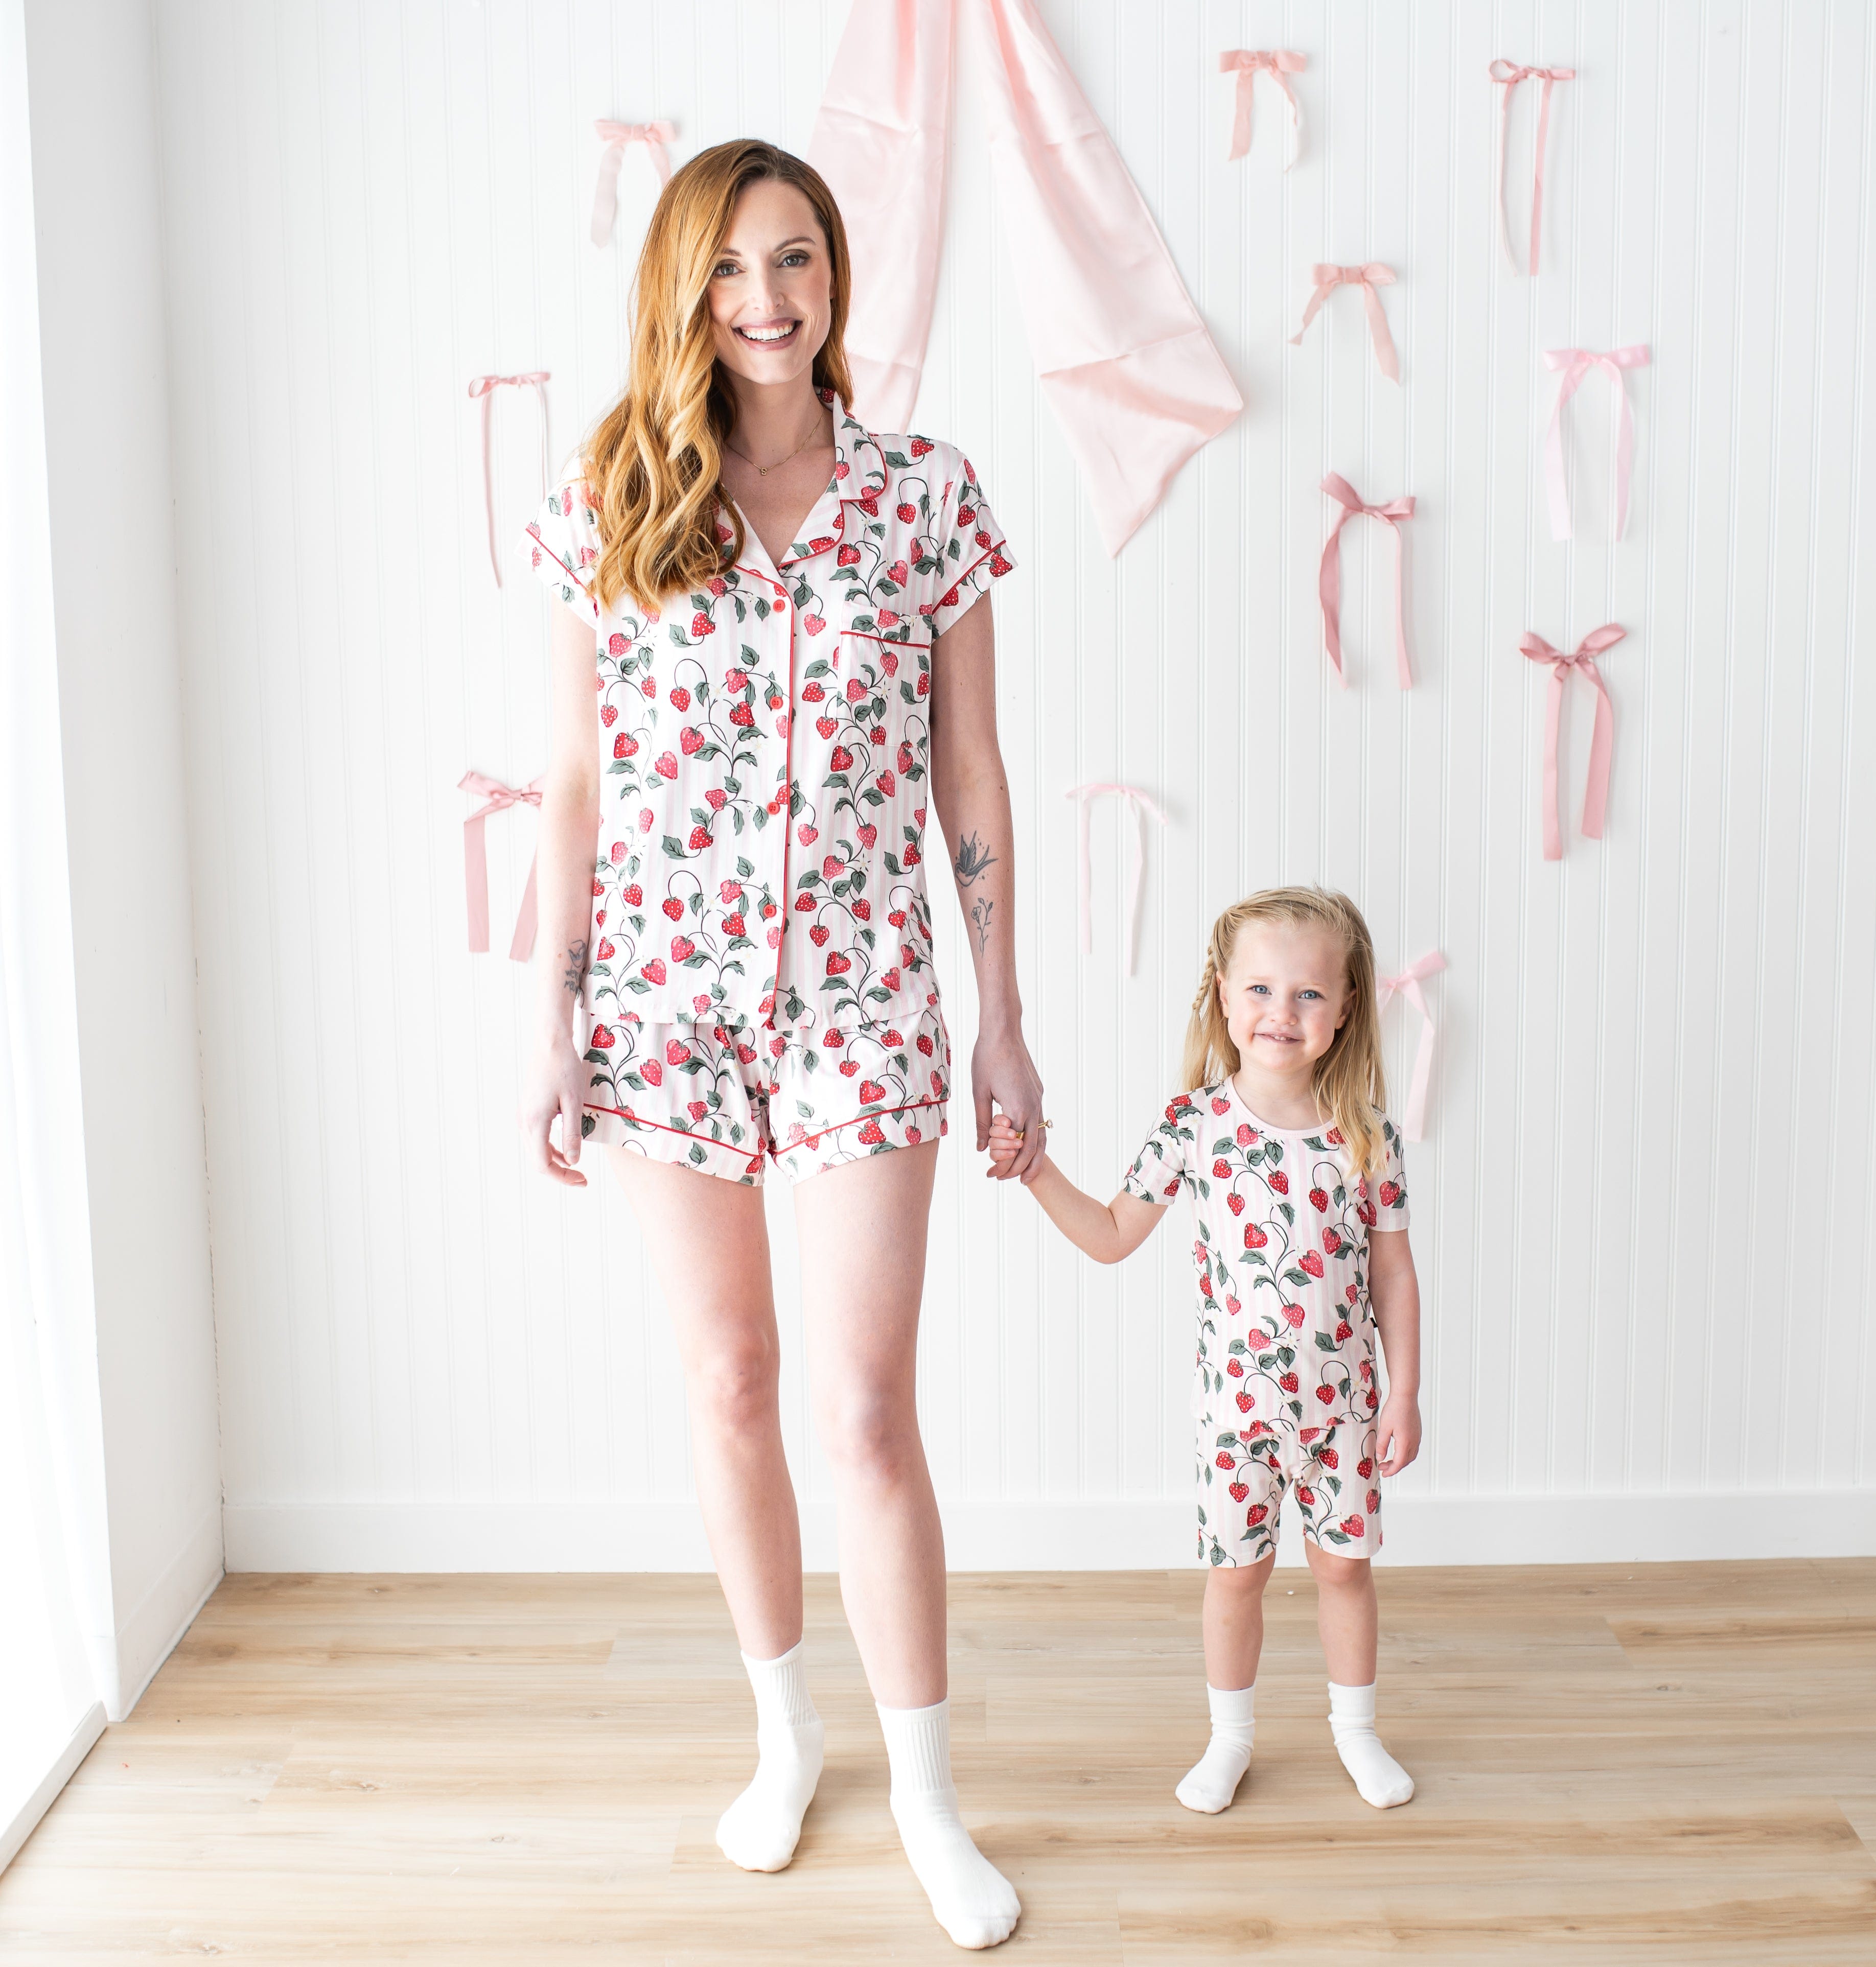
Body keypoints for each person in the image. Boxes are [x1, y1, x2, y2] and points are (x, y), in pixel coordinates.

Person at [519, 137, 1041, 1952]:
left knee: (864, 1410)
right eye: (733, 269)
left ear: (836, 275)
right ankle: (786, 1735)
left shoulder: (926, 496)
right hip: (660, 1006)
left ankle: (926, 1791)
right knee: (730, 1386)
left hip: (865, 1000)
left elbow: (970, 774)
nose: (767, 300)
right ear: (686, 287)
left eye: (797, 260)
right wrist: (554, 1021)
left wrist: (1007, 1024)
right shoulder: (611, 497)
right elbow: (577, 780)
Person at [988, 886, 1423, 1814]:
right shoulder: (1196, 1127)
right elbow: (1110, 1233)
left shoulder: (1367, 1136)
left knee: (1344, 1568)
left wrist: (1403, 1394)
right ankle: (1230, 1737)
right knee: (1238, 1576)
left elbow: (1393, 1277)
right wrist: (1033, 1169)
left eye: (1308, 993)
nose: (1281, 1012)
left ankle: (1357, 1731)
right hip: (1238, 1419)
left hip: (1344, 1413)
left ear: (1346, 1008)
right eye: (1260, 989)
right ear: (1222, 998)